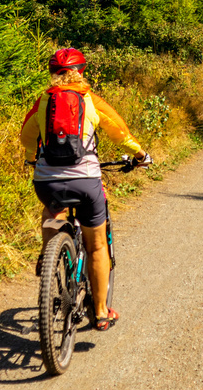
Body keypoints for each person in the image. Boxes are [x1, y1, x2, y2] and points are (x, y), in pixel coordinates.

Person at [20, 47, 149, 330]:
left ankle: (49, 252)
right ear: (82, 71)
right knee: (97, 245)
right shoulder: (90, 99)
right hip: (86, 180)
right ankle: (101, 312)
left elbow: (26, 136)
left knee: (53, 208)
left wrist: (33, 158)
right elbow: (120, 133)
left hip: (46, 180)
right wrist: (140, 155)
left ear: (53, 73)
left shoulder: (44, 101)